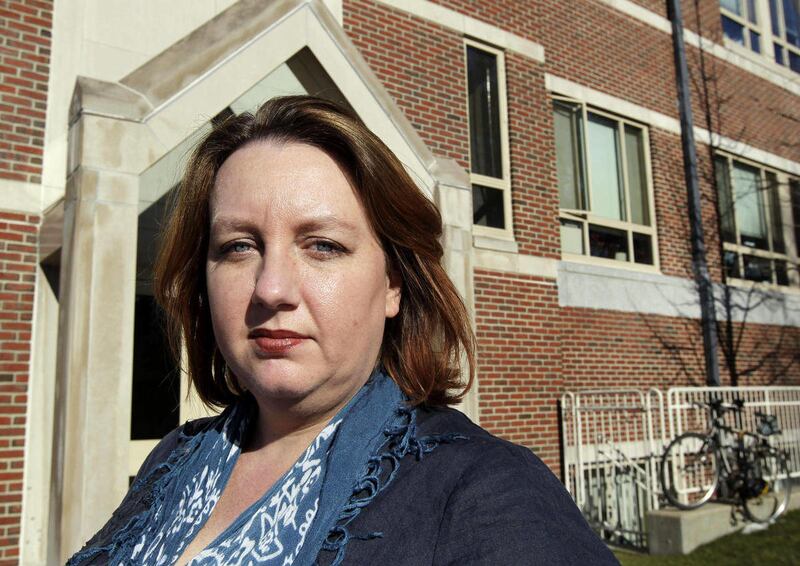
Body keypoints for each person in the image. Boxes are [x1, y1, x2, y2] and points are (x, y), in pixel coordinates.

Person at [67, 96, 617, 565]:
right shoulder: (174, 457)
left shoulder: (488, 494)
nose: (271, 288)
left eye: (323, 245)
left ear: (394, 285)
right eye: (239, 246)